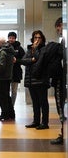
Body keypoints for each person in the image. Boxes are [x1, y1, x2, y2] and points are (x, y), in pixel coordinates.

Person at [20, 30, 50, 130]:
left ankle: (45, 123)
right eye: (35, 38)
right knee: (35, 103)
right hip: (31, 80)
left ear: (42, 39)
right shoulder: (30, 49)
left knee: (43, 102)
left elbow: (40, 60)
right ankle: (36, 121)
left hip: (41, 80)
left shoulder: (44, 49)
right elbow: (23, 61)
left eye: (39, 38)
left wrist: (35, 51)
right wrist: (31, 59)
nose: (37, 40)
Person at [50, 17, 67, 145]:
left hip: (62, 80)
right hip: (62, 78)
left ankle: (63, 132)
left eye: (59, 29)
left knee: (61, 106)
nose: (59, 32)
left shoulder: (63, 43)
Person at [0, 37, 15, 121]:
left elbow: (1, 65)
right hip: (7, 77)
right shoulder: (9, 50)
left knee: (2, 97)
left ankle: (4, 114)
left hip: (1, 77)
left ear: (1, 43)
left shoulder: (2, 52)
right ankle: (11, 114)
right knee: (7, 96)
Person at [7, 32, 25, 106]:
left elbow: (24, 60)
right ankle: (7, 107)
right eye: (10, 37)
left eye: (13, 38)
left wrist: (16, 60)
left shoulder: (19, 48)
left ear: (15, 38)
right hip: (6, 73)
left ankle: (12, 106)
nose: (11, 39)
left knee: (14, 91)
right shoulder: (5, 47)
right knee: (6, 91)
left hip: (16, 73)